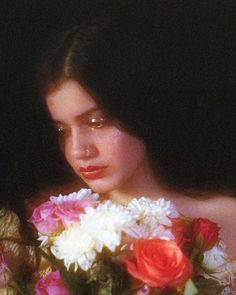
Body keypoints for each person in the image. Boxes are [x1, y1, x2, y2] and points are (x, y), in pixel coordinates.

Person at [37, 3, 236, 265]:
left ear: (138, 109)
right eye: (62, 130)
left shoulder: (227, 219)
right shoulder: (60, 232)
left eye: (97, 122)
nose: (78, 150)